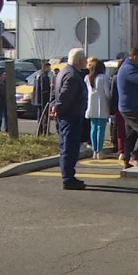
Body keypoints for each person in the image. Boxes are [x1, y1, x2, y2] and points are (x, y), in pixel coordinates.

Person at [52, 48, 88, 190]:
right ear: (79, 60)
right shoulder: (72, 75)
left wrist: (55, 107)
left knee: (68, 146)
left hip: (68, 115)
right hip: (70, 116)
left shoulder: (65, 71)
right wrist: (57, 108)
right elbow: (65, 96)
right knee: (69, 147)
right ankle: (68, 178)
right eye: (84, 58)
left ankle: (69, 176)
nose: (86, 61)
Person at [85, 57, 112, 160]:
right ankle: (99, 151)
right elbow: (107, 93)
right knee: (101, 128)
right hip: (102, 105)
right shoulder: (103, 78)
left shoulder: (88, 78)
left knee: (93, 127)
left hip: (91, 105)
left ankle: (94, 151)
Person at [32, 62, 52, 135]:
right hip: (43, 99)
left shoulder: (37, 75)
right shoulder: (44, 76)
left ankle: (39, 130)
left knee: (40, 115)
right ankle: (44, 130)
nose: (50, 69)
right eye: (49, 67)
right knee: (44, 115)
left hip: (37, 99)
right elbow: (45, 90)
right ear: (45, 67)